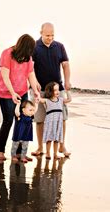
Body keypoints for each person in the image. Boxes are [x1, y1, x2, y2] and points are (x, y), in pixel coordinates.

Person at [0, 34, 40, 161]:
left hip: (22, 92)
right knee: (8, 121)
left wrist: (35, 91)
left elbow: (30, 75)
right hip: (6, 93)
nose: (30, 53)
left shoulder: (28, 58)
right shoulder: (7, 53)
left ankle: (20, 153)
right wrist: (12, 92)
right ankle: (1, 152)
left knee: (22, 122)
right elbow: (5, 75)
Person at [32, 23, 72, 157]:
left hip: (57, 89)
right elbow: (30, 67)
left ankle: (61, 146)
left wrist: (67, 81)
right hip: (40, 88)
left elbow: (65, 65)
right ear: (41, 33)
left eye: (52, 35)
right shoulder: (35, 47)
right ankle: (40, 147)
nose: (50, 38)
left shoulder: (59, 46)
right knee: (40, 119)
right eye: (47, 35)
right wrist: (34, 82)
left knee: (62, 118)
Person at [38, 82, 72, 160]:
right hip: (50, 122)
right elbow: (39, 99)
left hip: (58, 122)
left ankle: (55, 154)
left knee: (56, 139)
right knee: (49, 139)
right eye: (55, 90)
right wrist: (37, 92)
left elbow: (69, 99)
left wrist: (67, 91)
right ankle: (48, 153)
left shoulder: (60, 100)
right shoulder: (47, 100)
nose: (58, 92)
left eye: (58, 90)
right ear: (50, 91)